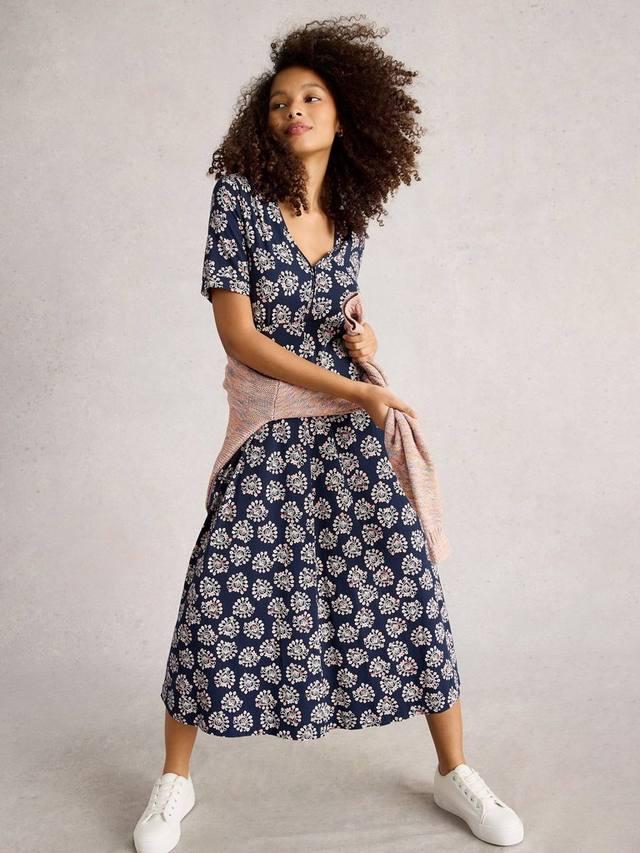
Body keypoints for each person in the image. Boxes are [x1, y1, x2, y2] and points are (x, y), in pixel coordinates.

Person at [133, 16, 524, 853]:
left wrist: (363, 338)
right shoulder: (238, 198)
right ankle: (174, 781)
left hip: (347, 435)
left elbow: (337, 314)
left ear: (344, 117)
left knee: (407, 584)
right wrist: (356, 386)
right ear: (263, 121)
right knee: (218, 594)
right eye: (279, 102)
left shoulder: (349, 213)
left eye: (311, 98)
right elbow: (240, 337)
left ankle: (455, 771)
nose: (294, 111)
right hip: (272, 430)